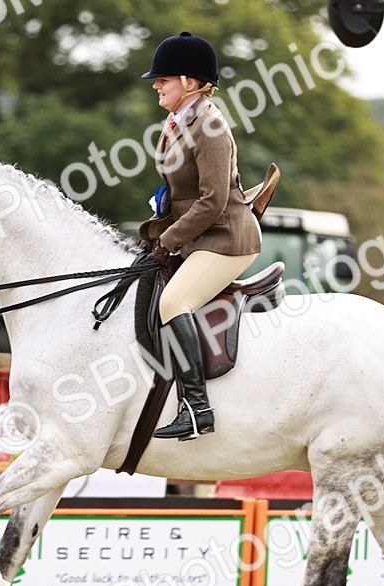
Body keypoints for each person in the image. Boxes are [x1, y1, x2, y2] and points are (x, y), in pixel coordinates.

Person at [138, 31, 263, 441]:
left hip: (227, 237)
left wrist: (168, 240)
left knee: (175, 301)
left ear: (190, 82)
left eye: (164, 79)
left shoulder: (208, 125)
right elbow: (186, 192)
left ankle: (196, 409)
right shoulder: (179, 121)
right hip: (202, 234)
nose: (156, 84)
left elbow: (212, 201)